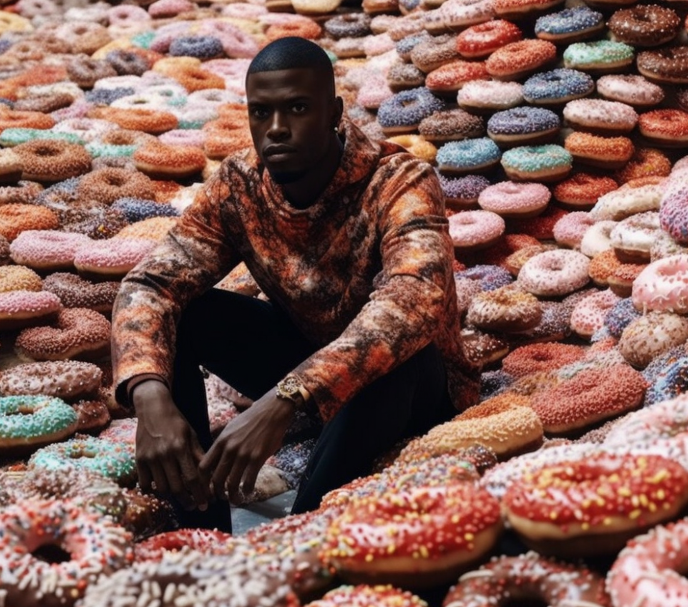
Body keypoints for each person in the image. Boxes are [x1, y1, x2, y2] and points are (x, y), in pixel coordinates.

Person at [111, 36, 480, 532]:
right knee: (188, 313)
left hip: (410, 390)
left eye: (298, 108)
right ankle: (199, 527)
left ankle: (299, 534)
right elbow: (151, 284)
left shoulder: (399, 181)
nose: (276, 130)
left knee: (398, 358)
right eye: (261, 113)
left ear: (334, 113)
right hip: (311, 370)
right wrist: (147, 395)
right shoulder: (239, 184)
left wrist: (283, 401)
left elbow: (414, 301)